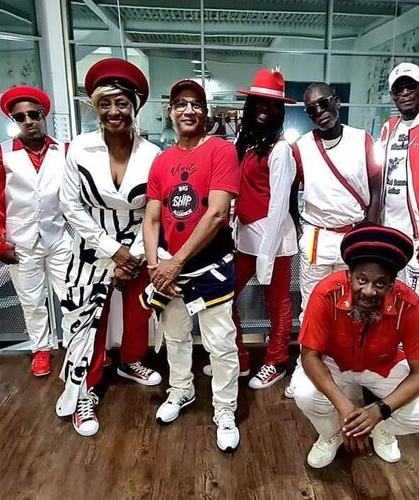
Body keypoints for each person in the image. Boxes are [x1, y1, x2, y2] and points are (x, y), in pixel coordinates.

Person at [56, 58, 162, 437]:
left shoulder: (153, 155)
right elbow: (70, 205)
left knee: (138, 313)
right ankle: (85, 388)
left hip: (138, 246)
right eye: (105, 104)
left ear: (135, 106)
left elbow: (155, 210)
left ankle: (130, 361)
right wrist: (111, 250)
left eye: (121, 103)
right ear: (95, 107)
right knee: (87, 319)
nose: (114, 111)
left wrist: (132, 255)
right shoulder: (79, 148)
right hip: (90, 245)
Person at [143, 79, 242, 453]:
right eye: (180, 104)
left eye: (196, 104)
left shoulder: (221, 151)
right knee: (175, 336)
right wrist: (155, 266)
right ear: (170, 111)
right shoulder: (161, 161)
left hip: (209, 265)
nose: (188, 110)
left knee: (221, 344)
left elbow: (216, 213)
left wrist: (174, 263)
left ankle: (225, 409)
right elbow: (152, 218)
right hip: (168, 269)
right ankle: (181, 389)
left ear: (205, 112)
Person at [293, 222, 419, 468]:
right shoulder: (325, 293)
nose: (369, 291)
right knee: (304, 393)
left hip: (384, 365)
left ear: (392, 284)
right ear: (349, 275)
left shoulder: (410, 304)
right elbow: (309, 356)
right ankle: (331, 434)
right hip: (334, 363)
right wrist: (344, 408)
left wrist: (379, 412)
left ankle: (383, 430)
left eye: (380, 284)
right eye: (361, 279)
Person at [285, 82, 382, 398]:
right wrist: (298, 225)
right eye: (311, 109)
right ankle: (305, 366)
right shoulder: (301, 147)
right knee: (312, 307)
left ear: (337, 103)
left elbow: (377, 186)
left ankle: (349, 370)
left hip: (354, 236)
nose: (319, 112)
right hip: (317, 236)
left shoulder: (362, 140)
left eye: (324, 104)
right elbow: (289, 190)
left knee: (355, 306)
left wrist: (370, 227)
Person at [202, 68, 298, 389]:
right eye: (258, 102)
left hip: (275, 241)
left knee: (278, 303)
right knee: (224, 298)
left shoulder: (281, 150)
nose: (263, 109)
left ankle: (276, 361)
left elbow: (278, 206)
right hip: (244, 238)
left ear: (279, 110)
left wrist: (267, 256)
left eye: (271, 104)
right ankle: (237, 357)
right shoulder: (244, 142)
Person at [0, 86, 72, 377]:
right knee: (32, 301)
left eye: (33, 114)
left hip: (58, 236)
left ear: (44, 115)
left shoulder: (64, 151)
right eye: (20, 117)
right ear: (13, 120)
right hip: (20, 240)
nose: (28, 121)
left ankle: (77, 344)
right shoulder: (0, 154)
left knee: (70, 295)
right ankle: (41, 349)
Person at [379, 62, 419, 300]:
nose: (405, 93)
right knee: (392, 299)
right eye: (398, 89)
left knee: (417, 302)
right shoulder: (390, 127)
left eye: (410, 87)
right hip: (391, 232)